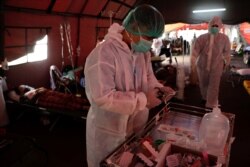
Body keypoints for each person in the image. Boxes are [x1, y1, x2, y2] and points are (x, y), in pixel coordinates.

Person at [84, 4, 175, 167]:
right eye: (148, 37)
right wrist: (143, 101)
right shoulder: (103, 54)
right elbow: (103, 97)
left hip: (136, 125)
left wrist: (159, 90)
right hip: (108, 130)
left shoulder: (142, 53)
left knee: (131, 161)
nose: (150, 42)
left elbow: (148, 78)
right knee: (107, 163)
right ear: (133, 29)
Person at [191, 16, 231, 108]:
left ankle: (211, 104)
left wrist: (226, 62)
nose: (214, 28)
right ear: (209, 25)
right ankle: (205, 98)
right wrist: (193, 61)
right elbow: (195, 51)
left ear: (220, 27)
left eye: (217, 26)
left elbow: (227, 52)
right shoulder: (202, 38)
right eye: (213, 25)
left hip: (217, 66)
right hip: (202, 65)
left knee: (214, 86)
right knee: (203, 83)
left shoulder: (224, 38)